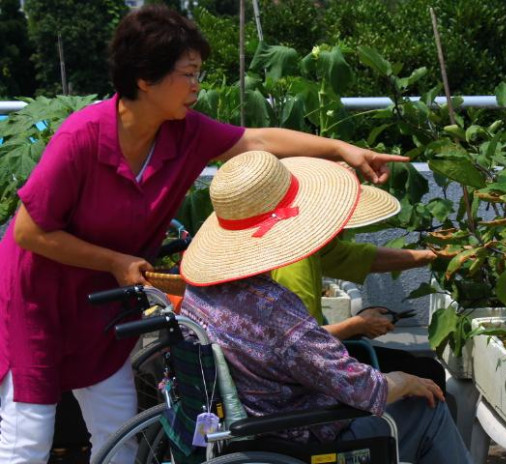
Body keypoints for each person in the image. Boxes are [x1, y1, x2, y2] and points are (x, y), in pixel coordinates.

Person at [0, 6, 407, 463]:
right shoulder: (82, 138)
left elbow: (257, 141)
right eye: (188, 73)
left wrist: (341, 148)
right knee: (30, 433)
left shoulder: (182, 133)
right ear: (144, 78)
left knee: (116, 425)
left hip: (106, 300)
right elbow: (30, 233)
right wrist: (114, 261)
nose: (197, 85)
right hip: (40, 298)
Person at [179, 151, 471, 463]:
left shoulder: (201, 291)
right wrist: (404, 381)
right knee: (427, 407)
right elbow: (359, 387)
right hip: (301, 437)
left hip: (249, 424)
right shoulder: (273, 307)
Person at [270, 186, 447, 392]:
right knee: (428, 372)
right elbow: (302, 343)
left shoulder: (304, 243)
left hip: (307, 360)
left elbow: (362, 258)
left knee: (414, 365)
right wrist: (357, 325)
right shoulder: (295, 265)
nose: (345, 228)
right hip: (304, 374)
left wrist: (433, 255)